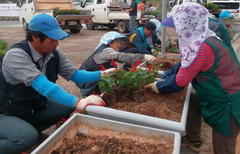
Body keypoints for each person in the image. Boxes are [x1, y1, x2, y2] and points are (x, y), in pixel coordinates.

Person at [145, 2, 240, 154]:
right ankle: (192, 139)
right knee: (193, 100)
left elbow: (180, 81)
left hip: (229, 104)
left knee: (223, 148)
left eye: (178, 25)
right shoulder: (204, 38)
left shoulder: (202, 49)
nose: (176, 30)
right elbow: (184, 65)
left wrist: (158, 86)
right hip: (225, 95)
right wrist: (166, 76)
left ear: (188, 25)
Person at [0, 14, 114, 154]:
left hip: (30, 106)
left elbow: (75, 75)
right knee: (24, 137)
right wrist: (79, 102)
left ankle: (30, 130)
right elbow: (44, 86)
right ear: (35, 37)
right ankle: (22, 135)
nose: (56, 43)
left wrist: (101, 74)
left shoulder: (53, 54)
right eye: (52, 39)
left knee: (66, 106)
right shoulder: (16, 55)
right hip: (6, 111)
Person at [78, 31, 158, 96]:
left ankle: (96, 90)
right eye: (117, 42)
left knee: (107, 73)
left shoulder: (108, 50)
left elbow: (122, 57)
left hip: (85, 77)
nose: (119, 45)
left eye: (120, 42)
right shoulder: (106, 51)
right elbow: (123, 57)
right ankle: (86, 94)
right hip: (83, 80)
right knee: (98, 75)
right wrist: (144, 56)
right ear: (109, 43)